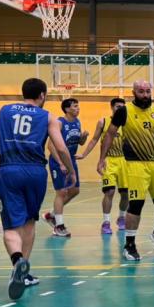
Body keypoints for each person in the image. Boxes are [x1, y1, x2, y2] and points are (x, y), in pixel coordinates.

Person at [0, 77, 76, 300]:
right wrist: (70, 170)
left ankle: (17, 261)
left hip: (9, 170)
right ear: (42, 95)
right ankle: (25, 273)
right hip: (36, 172)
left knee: (11, 226)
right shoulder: (47, 116)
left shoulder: (4, 111)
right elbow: (61, 147)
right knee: (30, 221)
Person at [97, 80, 154, 261]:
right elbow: (109, 134)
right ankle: (129, 244)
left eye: (148, 91)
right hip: (135, 164)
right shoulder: (124, 111)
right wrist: (102, 159)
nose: (145, 95)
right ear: (134, 92)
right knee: (136, 205)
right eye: (141, 91)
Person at [76, 97, 129, 235]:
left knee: (126, 194)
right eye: (117, 107)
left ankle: (122, 218)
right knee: (109, 192)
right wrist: (84, 154)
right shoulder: (103, 122)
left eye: (122, 107)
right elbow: (94, 140)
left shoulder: (128, 122)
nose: (120, 109)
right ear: (112, 107)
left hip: (125, 161)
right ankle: (106, 222)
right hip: (108, 160)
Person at [44, 98, 87, 238]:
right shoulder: (59, 123)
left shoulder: (77, 122)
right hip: (58, 162)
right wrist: (60, 163)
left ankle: (51, 215)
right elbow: (50, 146)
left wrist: (84, 137)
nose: (78, 108)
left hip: (70, 160)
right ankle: (59, 226)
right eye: (75, 106)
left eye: (78, 106)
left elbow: (79, 142)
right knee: (61, 193)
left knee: (75, 190)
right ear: (67, 109)